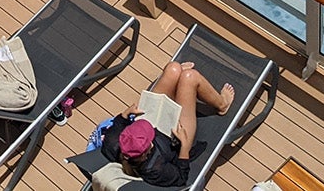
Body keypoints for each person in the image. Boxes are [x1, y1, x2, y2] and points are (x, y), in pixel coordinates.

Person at [95, 62, 235, 187]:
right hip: (175, 137)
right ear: (146, 153)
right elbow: (181, 178)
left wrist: (126, 114)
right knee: (190, 78)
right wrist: (185, 148)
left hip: (155, 120)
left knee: (172, 69)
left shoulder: (113, 143)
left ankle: (177, 77)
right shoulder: (155, 170)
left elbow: (119, 124)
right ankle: (222, 104)